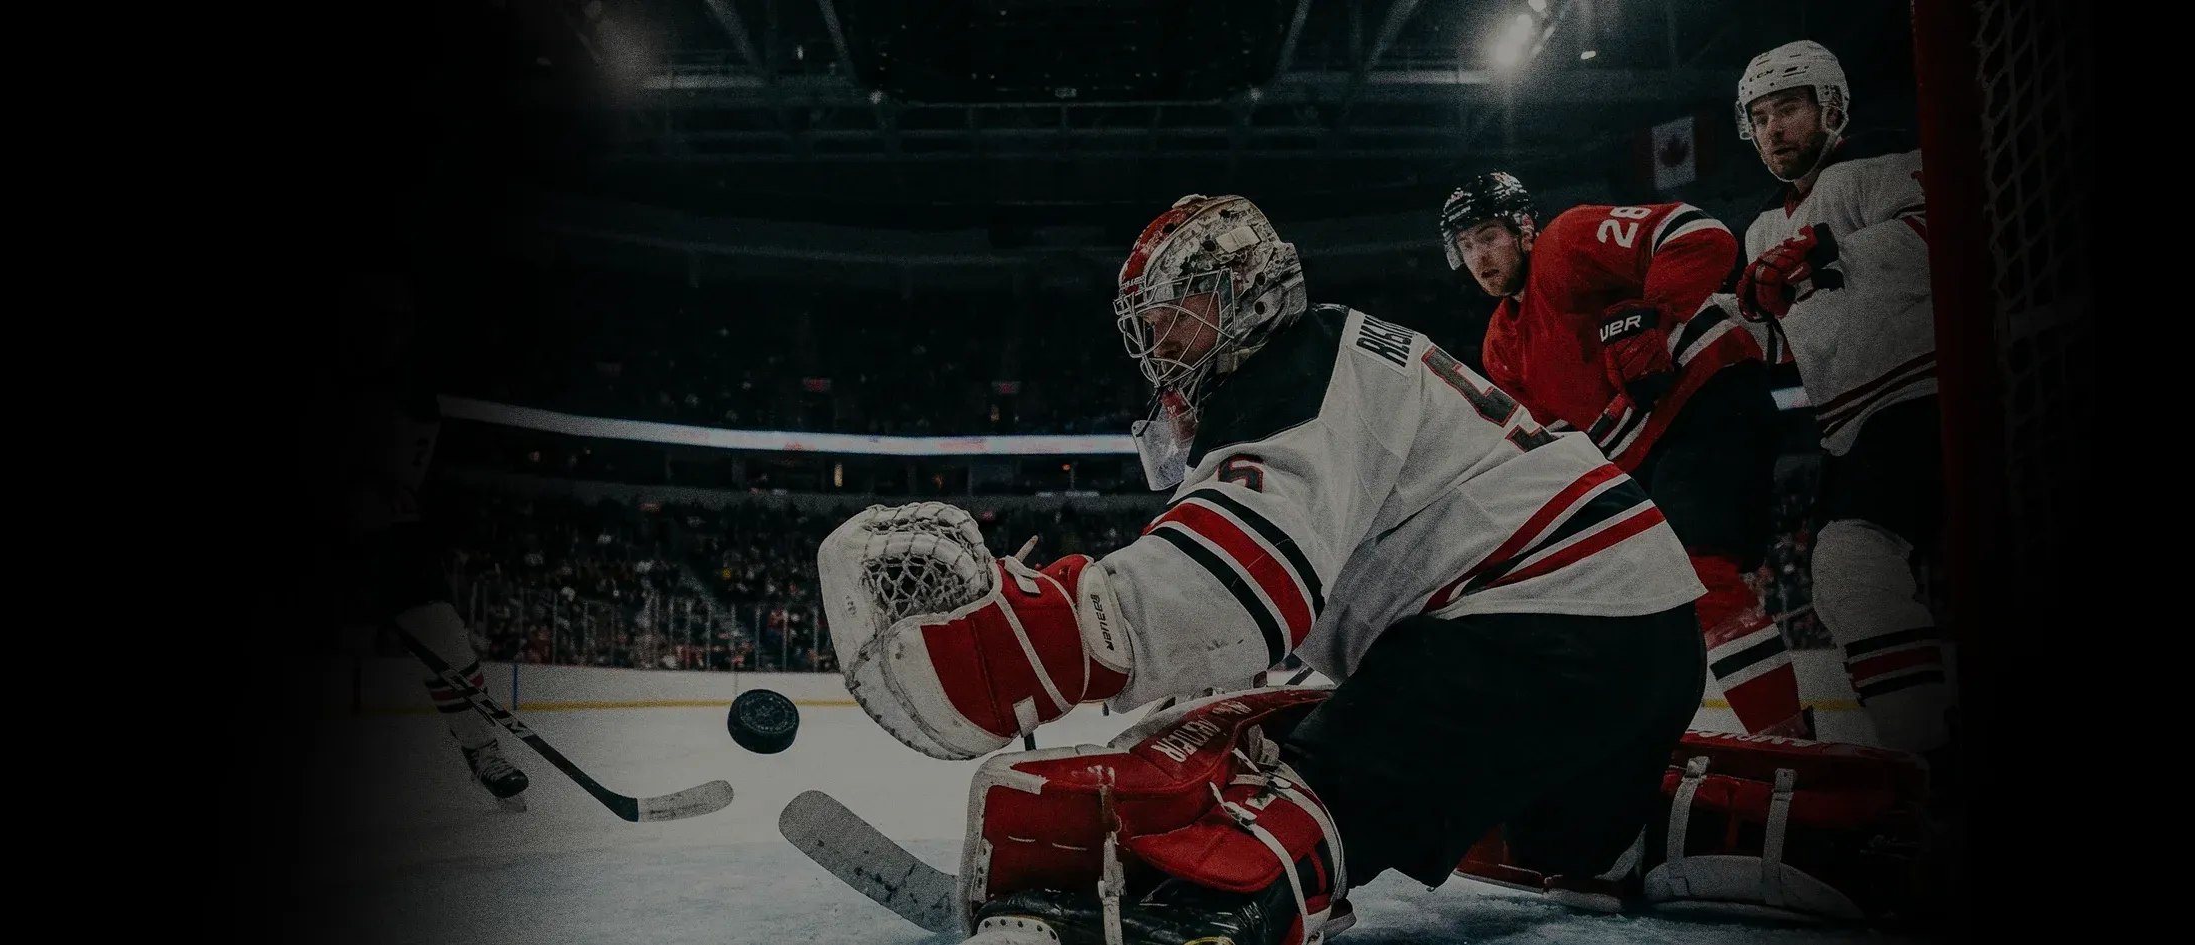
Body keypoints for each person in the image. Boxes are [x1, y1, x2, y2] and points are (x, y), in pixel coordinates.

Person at [815, 195, 1707, 944]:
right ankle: (1664, 823)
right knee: (1566, 832)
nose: (1160, 339)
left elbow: (1229, 588)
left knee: (1294, 791)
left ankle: (1207, 904)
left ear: (1239, 291)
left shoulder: (1296, 369)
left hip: (1544, 629)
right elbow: (1288, 594)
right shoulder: (1342, 354)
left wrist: (1039, 634)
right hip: (1632, 632)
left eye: (1177, 310)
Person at [1439, 171, 1800, 738]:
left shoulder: (1566, 241)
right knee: (1627, 603)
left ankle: (1788, 741)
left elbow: (1699, 232)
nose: (1479, 256)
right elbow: (1563, 452)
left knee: (1700, 576)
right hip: (1650, 456)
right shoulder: (1500, 346)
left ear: (1523, 229)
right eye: (1466, 245)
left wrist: (1655, 312)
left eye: (1488, 235)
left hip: (1708, 400)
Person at [1731, 39, 1955, 761]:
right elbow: (1771, 338)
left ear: (1833, 106)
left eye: (1789, 108)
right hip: (1849, 427)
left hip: (1930, 395)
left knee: (1850, 564)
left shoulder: (1882, 165)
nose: (1773, 130)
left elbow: (1941, 235)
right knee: (1843, 578)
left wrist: (1825, 249)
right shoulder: (1763, 228)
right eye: (1760, 117)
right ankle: (1927, 759)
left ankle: (1925, 759)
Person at [335, 270, 531, 810]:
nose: (391, 332)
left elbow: (406, 490)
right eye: (380, 319)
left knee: (442, 635)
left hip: (387, 539)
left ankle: (483, 751)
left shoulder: (414, 396)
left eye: (400, 321)